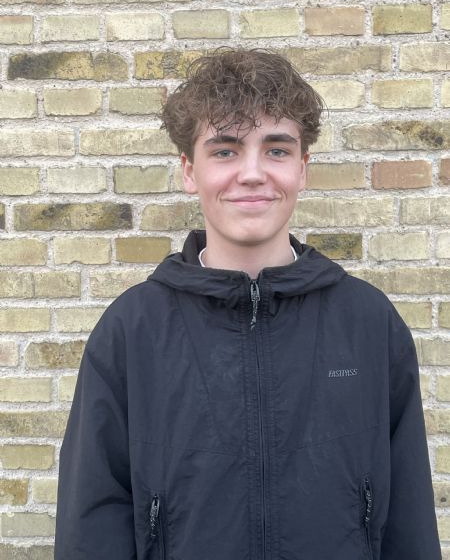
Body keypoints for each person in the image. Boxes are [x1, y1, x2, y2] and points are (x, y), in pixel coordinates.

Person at [54, 48, 441, 559]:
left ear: (302, 169)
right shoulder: (132, 330)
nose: (253, 173)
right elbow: (92, 519)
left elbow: (409, 516)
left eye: (276, 150)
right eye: (225, 150)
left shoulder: (368, 322)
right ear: (189, 170)